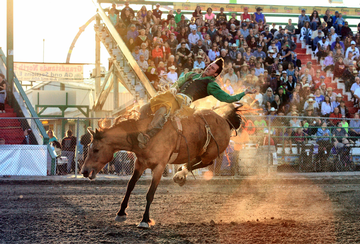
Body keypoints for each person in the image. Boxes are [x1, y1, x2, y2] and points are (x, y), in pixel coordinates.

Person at [137, 58, 256, 148]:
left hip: (181, 104)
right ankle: (139, 129)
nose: (209, 67)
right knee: (145, 108)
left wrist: (244, 93)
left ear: (215, 74)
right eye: (210, 65)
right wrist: (174, 87)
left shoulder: (211, 84)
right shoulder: (192, 74)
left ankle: (148, 137)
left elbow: (228, 99)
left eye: (213, 68)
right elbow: (179, 81)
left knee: (162, 111)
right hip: (170, 96)